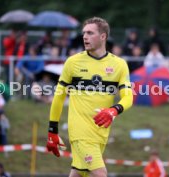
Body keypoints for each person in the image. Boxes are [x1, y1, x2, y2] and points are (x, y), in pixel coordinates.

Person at [45, 17, 133, 177]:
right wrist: (52, 131)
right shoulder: (73, 62)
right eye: (84, 33)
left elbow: (128, 97)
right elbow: (58, 98)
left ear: (103, 36)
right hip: (80, 132)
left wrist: (114, 110)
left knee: (79, 173)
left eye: (90, 33)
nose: (85, 36)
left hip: (100, 133)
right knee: (100, 174)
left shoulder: (119, 65)